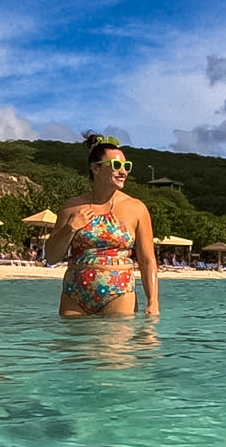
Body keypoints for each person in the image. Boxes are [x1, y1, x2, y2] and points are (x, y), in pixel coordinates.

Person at [46, 134, 159, 319]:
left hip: (119, 291)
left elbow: (147, 260)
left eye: (126, 166)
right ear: (95, 168)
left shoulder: (136, 208)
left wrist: (153, 302)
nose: (123, 171)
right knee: (71, 348)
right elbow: (51, 257)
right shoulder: (71, 207)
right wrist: (71, 228)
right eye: (116, 165)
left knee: (113, 347)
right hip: (75, 292)